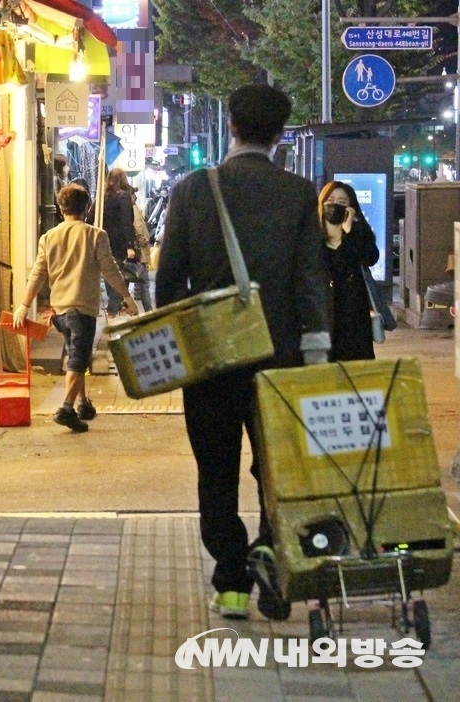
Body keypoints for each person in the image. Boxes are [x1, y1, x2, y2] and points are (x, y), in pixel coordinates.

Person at [155, 84, 330, 621]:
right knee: (277, 469)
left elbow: (167, 284)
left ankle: (230, 582)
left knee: (216, 469)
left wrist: (184, 346)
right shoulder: (301, 194)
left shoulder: (191, 191)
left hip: (210, 360)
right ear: (281, 133)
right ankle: (271, 560)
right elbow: (309, 280)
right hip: (280, 359)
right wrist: (316, 355)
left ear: (230, 125)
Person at [13, 183, 139, 432]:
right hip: (82, 309)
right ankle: (66, 409)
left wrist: (23, 306)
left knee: (76, 356)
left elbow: (38, 274)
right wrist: (128, 297)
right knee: (78, 360)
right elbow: (110, 270)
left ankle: (83, 403)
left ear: (61, 209)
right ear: (87, 207)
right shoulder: (95, 235)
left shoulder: (48, 237)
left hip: (60, 311)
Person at [318, 180, 380, 361]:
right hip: (324, 312)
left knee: (356, 370)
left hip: (354, 314)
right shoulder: (312, 234)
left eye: (342, 202)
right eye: (330, 200)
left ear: (350, 208)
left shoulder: (359, 232)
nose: (334, 205)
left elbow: (371, 258)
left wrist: (349, 233)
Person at [87, 168, 138, 318]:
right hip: (118, 243)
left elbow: (89, 219)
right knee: (117, 275)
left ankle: (113, 307)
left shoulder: (102, 198)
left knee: (109, 276)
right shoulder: (123, 197)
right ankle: (112, 309)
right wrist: (130, 245)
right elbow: (126, 222)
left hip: (101, 241)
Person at [125, 188, 153, 312]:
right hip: (139, 252)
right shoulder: (133, 209)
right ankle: (149, 311)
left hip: (134, 252)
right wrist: (144, 240)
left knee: (130, 281)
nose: (135, 196)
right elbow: (139, 226)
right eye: (133, 194)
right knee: (144, 283)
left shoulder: (127, 208)